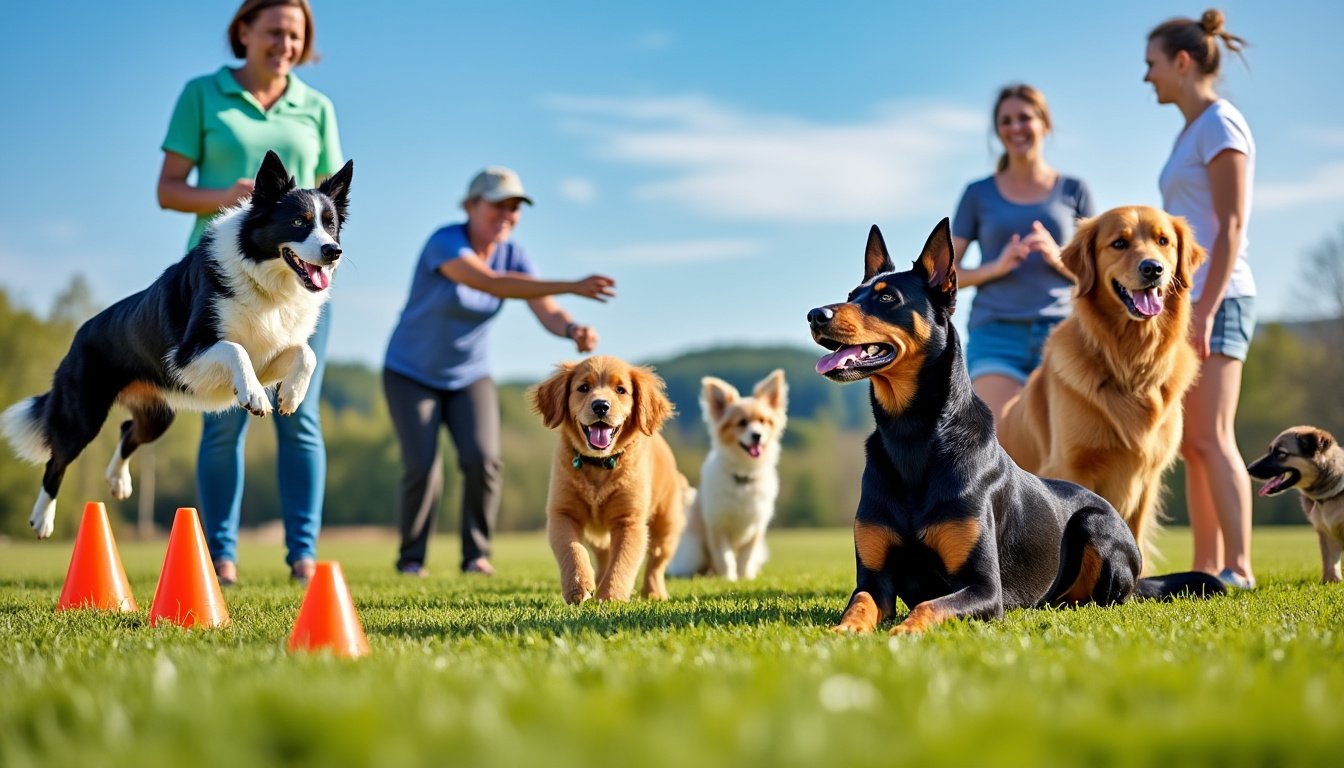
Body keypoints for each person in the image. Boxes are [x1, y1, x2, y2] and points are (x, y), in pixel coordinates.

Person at [157, 0, 342, 585]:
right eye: (274, 31)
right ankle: (221, 556)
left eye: (296, 35)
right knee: (223, 419)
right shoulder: (202, 94)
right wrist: (231, 196)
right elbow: (167, 189)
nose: (285, 44)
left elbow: (328, 202)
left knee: (301, 415)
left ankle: (303, 556)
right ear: (244, 31)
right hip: (223, 276)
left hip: (300, 286)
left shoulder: (317, 107)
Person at [383, 167, 616, 577]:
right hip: (410, 371)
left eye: (515, 207)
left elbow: (544, 306)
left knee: (483, 459)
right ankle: (412, 560)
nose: (507, 214)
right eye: (498, 205)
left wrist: (570, 328)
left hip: (469, 374)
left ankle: (476, 556)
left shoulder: (516, 254)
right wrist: (570, 284)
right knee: (423, 465)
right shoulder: (446, 243)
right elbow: (491, 283)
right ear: (472, 205)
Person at [1145, 8, 1257, 589]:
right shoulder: (1191, 131)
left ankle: (1240, 566)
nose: (1148, 77)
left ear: (1182, 63)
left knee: (1212, 435)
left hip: (1222, 298)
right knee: (1190, 442)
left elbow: (1233, 225)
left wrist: (1205, 308)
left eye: (1153, 65)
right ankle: (1209, 567)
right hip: (1191, 306)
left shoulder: (1219, 123)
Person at [951, 84, 1095, 423]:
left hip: (1063, 335)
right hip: (996, 335)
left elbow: (1101, 275)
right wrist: (995, 267)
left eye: (1025, 118)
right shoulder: (977, 194)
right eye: (1006, 121)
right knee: (999, 447)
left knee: (1063, 450)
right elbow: (943, 276)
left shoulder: (1075, 190)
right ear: (997, 131)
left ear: (1045, 124)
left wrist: (1059, 258)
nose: (1016, 128)